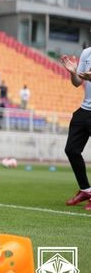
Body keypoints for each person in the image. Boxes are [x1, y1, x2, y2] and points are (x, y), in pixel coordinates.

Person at [60, 52, 91, 211]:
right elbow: (77, 82)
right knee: (71, 150)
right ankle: (86, 190)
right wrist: (73, 73)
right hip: (85, 110)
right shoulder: (87, 53)